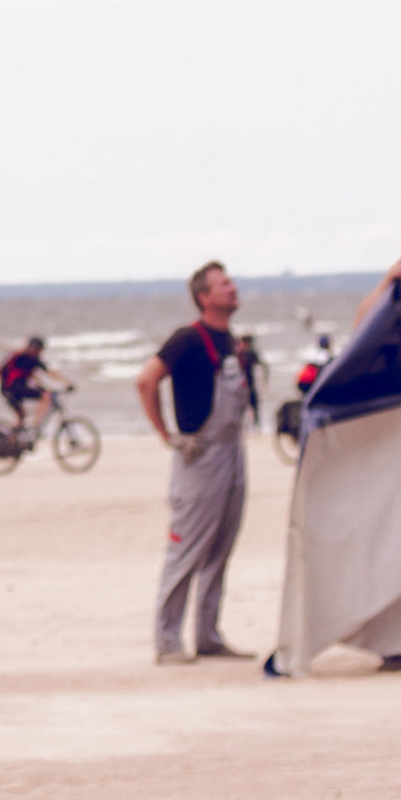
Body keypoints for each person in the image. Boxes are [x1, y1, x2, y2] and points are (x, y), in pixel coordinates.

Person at [137, 262, 258, 663]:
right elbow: (146, 380)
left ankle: (208, 636)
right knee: (187, 548)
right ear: (204, 297)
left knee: (220, 548)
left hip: (232, 452)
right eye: (225, 285)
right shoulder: (188, 339)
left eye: (232, 283)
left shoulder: (230, 342)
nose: (233, 289)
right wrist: (167, 435)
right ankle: (168, 642)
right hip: (200, 456)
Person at [0, 336, 70, 441]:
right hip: (12, 389)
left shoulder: (29, 358)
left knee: (21, 417)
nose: (40, 352)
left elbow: (35, 377)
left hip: (11, 389)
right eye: (39, 349)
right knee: (45, 396)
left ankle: (13, 441)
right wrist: (66, 382)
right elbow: (48, 372)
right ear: (34, 348)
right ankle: (36, 426)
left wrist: (48, 386)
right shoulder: (24, 358)